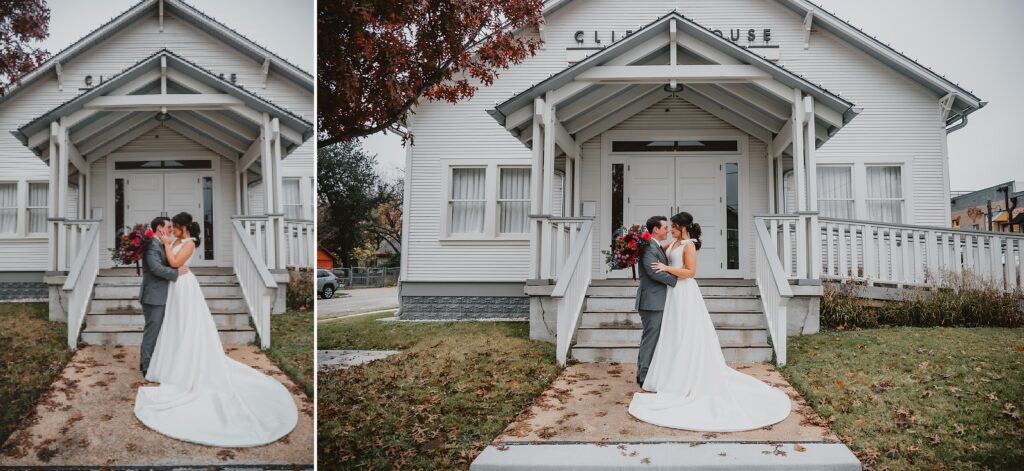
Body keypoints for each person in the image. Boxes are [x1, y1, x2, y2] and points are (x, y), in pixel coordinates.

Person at [134, 212, 298, 447]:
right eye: (168, 227)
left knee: (187, 326)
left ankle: (186, 364)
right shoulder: (165, 242)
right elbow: (168, 266)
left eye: (174, 227)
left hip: (184, 287)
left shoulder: (188, 243)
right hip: (173, 287)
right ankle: (164, 362)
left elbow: (173, 263)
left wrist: (170, 249)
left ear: (182, 228)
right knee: (171, 327)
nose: (171, 230)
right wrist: (171, 248)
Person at [628, 211, 791, 432]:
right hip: (672, 295)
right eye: (668, 227)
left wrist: (667, 269)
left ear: (682, 228)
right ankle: (668, 373)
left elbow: (691, 272)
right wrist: (640, 242)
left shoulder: (688, 245)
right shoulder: (674, 243)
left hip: (684, 291)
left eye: (673, 227)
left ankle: (687, 375)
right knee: (673, 334)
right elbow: (653, 248)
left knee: (687, 333)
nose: (670, 230)